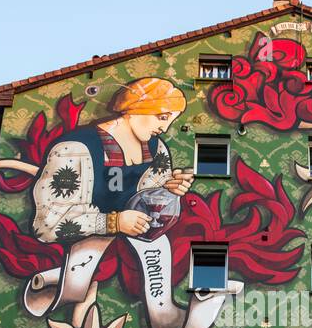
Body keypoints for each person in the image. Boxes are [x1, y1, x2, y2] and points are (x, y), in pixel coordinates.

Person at [30, 77, 194, 241]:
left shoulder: (156, 148)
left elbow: (152, 205)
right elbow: (47, 225)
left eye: (170, 121)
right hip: (84, 252)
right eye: (162, 117)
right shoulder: (75, 149)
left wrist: (169, 189)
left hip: (138, 249)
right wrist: (113, 222)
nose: (164, 129)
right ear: (136, 107)